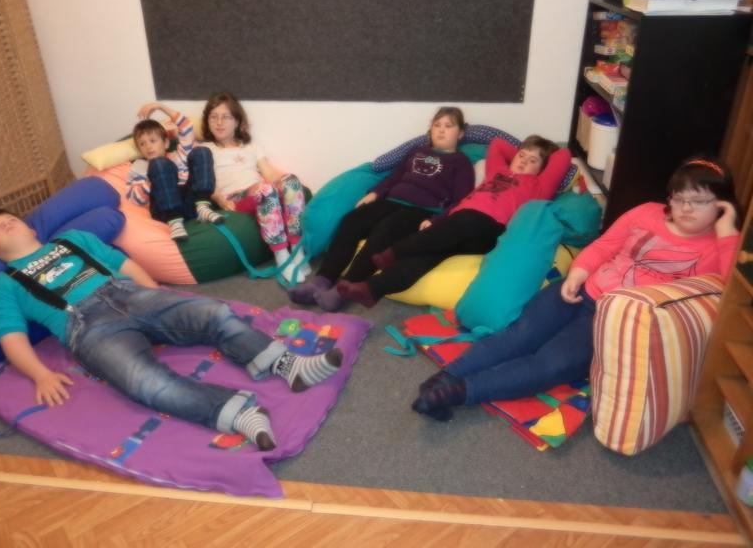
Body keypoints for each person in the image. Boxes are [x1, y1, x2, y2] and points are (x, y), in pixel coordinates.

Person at [0, 210, 343, 450]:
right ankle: (239, 414)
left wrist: (159, 300)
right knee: (144, 382)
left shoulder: (73, 239)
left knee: (213, 312)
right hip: (88, 327)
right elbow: (12, 338)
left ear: (32, 229)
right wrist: (40, 375)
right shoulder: (1, 284)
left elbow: (125, 265)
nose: (5, 224)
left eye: (11, 219)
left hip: (129, 293)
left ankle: (288, 364)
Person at [412, 158, 740, 421]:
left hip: (614, 321)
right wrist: (577, 275)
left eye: (699, 201)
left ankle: (457, 391)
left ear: (723, 205)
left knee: (550, 365)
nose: (685, 208)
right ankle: (443, 379)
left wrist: (728, 233)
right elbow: (604, 246)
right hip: (581, 291)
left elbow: (726, 296)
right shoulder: (646, 213)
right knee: (519, 336)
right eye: (679, 198)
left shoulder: (720, 247)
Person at [332, 134, 571, 310]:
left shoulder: (540, 186)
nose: (523, 161)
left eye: (532, 161)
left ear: (543, 169)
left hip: (489, 228)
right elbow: (498, 144)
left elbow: (564, 156)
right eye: (521, 155)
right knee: (427, 257)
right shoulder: (497, 171)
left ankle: (393, 253)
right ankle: (372, 289)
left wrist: (538, 154)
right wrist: (523, 151)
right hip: (459, 224)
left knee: (463, 221)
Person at [288, 107, 476, 311]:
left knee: (384, 232)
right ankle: (322, 280)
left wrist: (437, 220)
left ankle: (343, 289)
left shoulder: (461, 162)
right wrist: (375, 193)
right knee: (352, 220)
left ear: (460, 133)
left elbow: (462, 200)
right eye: (437, 125)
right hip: (392, 200)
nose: (441, 130)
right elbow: (394, 177)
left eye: (449, 126)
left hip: (420, 211)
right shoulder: (417, 152)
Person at [198, 92, 309, 284]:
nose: (219, 122)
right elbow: (203, 182)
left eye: (226, 117)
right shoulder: (204, 149)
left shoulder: (250, 146)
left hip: (259, 189)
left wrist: (284, 181)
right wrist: (217, 198)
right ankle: (282, 257)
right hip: (234, 197)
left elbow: (269, 173)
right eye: (213, 117)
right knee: (265, 190)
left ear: (237, 121)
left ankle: (297, 251)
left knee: (291, 181)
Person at [126, 103, 223, 242]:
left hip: (190, 204)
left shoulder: (179, 155)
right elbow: (135, 199)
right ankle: (175, 221)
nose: (148, 146)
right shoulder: (140, 165)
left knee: (202, 151)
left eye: (153, 141)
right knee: (159, 164)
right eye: (142, 144)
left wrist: (160, 107)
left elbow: (186, 127)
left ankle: (203, 207)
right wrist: (153, 179)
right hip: (164, 211)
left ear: (166, 143)